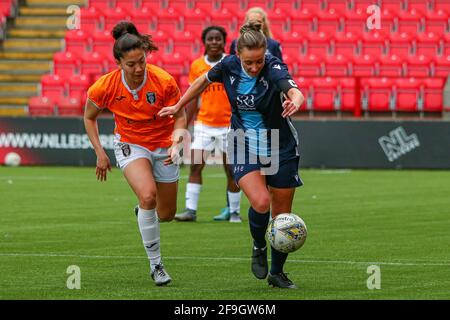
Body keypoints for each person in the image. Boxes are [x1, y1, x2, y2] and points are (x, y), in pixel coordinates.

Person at [158, 22, 305, 289]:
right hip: (242, 142)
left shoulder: (272, 65)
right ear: (238, 54)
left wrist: (295, 99)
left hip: (278, 143)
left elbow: (292, 88)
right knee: (260, 202)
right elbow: (202, 80)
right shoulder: (228, 65)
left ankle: (277, 272)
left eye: (258, 60)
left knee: (282, 216)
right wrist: (179, 104)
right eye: (249, 62)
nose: (254, 67)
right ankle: (259, 244)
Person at [83, 21, 186, 287]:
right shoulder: (104, 87)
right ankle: (156, 265)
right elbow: (89, 117)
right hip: (131, 144)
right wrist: (100, 152)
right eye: (131, 64)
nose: (138, 68)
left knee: (166, 215)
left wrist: (177, 142)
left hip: (164, 145)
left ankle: (143, 211)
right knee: (148, 196)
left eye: (142, 61)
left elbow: (181, 115)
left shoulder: (163, 81)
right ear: (118, 62)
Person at [174, 26, 242, 223]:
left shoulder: (231, 63)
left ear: (224, 42)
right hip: (204, 124)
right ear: (204, 42)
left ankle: (234, 212)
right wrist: (185, 124)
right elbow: (194, 97)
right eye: (210, 39)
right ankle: (190, 211)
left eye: (218, 39)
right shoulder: (197, 66)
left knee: (231, 169)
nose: (214, 42)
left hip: (229, 124)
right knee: (195, 166)